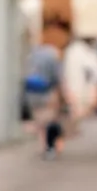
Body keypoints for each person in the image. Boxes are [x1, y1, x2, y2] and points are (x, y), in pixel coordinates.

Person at [23, 19, 72, 160]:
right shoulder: (53, 55)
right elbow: (57, 77)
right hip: (47, 92)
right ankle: (50, 147)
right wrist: (63, 94)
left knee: (40, 122)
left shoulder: (33, 53)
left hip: (32, 92)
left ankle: (44, 146)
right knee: (50, 120)